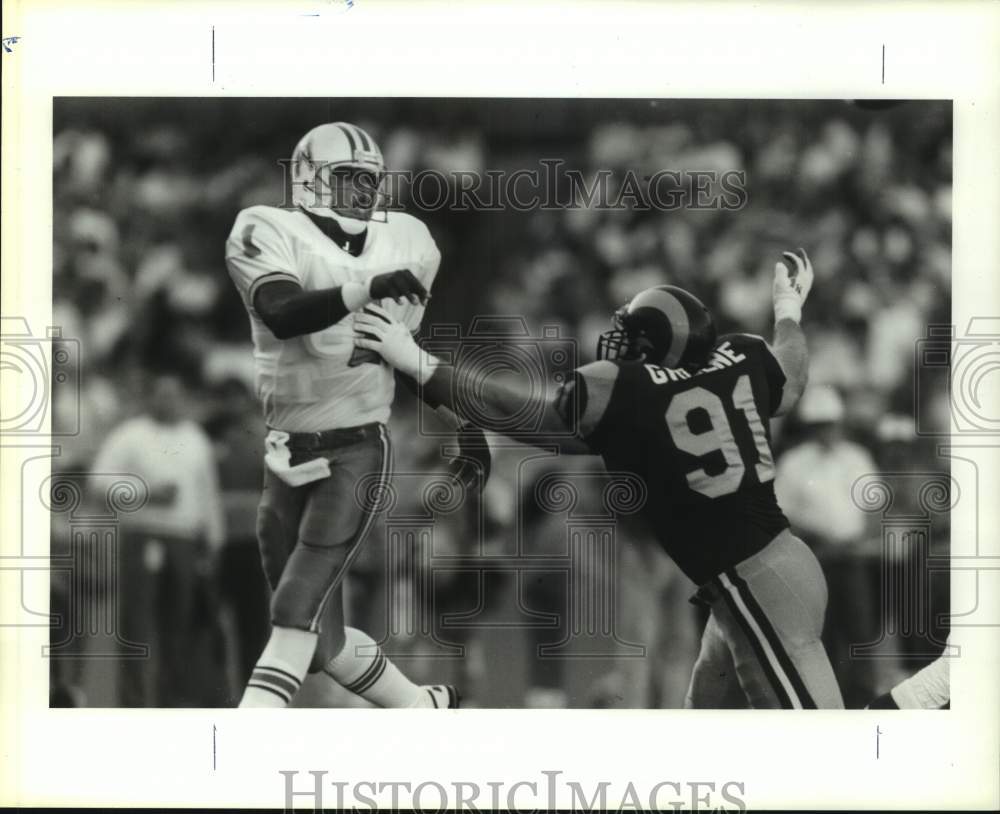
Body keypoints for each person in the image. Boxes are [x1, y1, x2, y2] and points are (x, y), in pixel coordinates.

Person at [356, 248, 845, 708]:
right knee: (701, 723)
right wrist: (787, 311)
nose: (620, 347)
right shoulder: (739, 357)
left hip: (753, 582)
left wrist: (418, 363)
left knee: (816, 734)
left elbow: (513, 412)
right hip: (758, 575)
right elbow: (792, 376)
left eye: (632, 339)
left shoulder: (628, 389)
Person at [225, 122, 482, 709]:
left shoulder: (408, 242)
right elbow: (283, 311)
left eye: (371, 182)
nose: (364, 194)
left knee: (293, 612)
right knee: (322, 643)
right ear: (308, 179)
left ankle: (248, 739)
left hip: (356, 448)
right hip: (285, 450)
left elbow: (396, 353)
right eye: (348, 179)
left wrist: (464, 424)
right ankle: (422, 708)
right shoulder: (266, 228)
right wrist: (361, 288)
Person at [89, 374, 225, 706]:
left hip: (183, 540)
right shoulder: (130, 435)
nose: (168, 402)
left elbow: (208, 494)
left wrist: (214, 538)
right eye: (161, 395)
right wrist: (145, 492)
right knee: (136, 625)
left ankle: (172, 702)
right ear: (150, 398)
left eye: (174, 395)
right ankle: (133, 702)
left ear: (184, 398)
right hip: (142, 536)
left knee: (179, 624)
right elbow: (98, 481)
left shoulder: (195, 438)